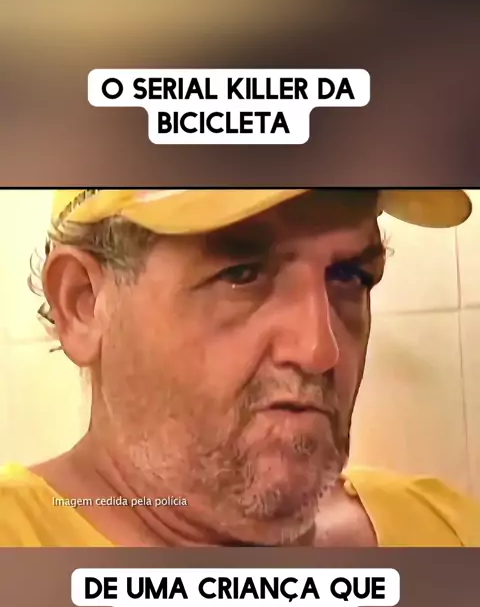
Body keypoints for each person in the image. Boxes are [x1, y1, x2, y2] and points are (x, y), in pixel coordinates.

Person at [1, 188, 479, 547]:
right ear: (83, 304)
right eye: (241, 275)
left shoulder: (446, 531)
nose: (318, 349)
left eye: (350, 276)